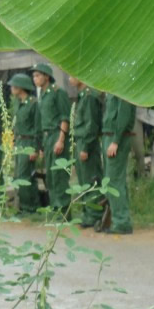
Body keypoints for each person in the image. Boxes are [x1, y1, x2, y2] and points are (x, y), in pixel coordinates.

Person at [30, 63, 71, 213]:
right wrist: (41, 146)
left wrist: (61, 139)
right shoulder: (42, 95)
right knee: (51, 177)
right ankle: (55, 208)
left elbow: (65, 117)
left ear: (46, 76)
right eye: (34, 76)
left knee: (59, 175)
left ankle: (64, 211)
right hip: (47, 138)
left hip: (56, 134)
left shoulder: (57, 92)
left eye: (38, 75)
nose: (35, 79)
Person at [98, 93, 136, 234]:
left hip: (117, 138)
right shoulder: (113, 91)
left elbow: (124, 116)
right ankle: (118, 219)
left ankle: (122, 222)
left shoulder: (123, 90)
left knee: (114, 181)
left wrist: (115, 141)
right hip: (109, 136)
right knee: (112, 180)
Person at [69, 77, 103, 228]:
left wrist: (86, 147)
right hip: (80, 141)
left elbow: (91, 125)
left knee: (91, 180)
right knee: (83, 180)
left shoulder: (89, 97)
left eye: (71, 75)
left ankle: (95, 214)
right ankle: (87, 212)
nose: (69, 79)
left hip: (87, 143)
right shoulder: (83, 96)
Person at [8, 73, 40, 213]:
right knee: (18, 176)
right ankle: (23, 205)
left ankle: (30, 207)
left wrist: (35, 148)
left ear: (21, 87)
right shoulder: (17, 103)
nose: (11, 88)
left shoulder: (33, 103)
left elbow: (37, 127)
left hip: (29, 142)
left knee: (25, 175)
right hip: (19, 142)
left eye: (14, 86)